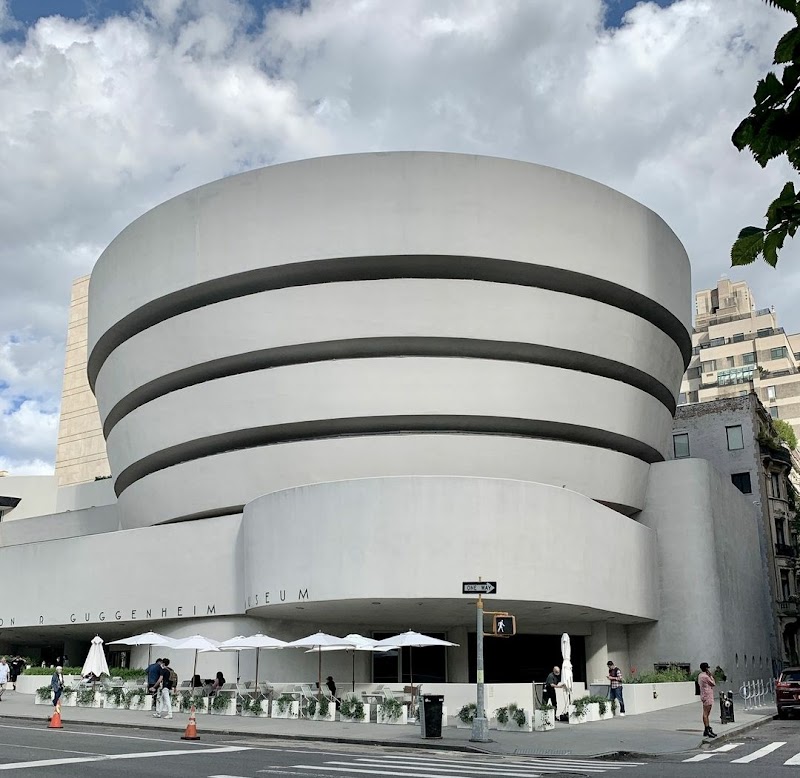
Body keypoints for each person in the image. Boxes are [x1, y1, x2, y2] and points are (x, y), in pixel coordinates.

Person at [699, 662, 717, 739]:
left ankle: (707, 729)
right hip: (707, 695)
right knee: (706, 713)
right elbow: (713, 683)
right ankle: (707, 729)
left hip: (704, 695)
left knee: (706, 713)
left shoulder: (700, 675)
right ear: (706, 668)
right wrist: (710, 676)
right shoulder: (705, 676)